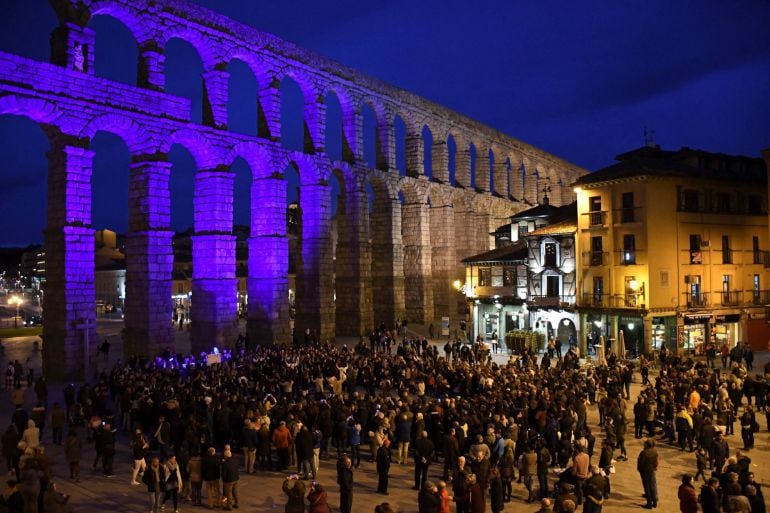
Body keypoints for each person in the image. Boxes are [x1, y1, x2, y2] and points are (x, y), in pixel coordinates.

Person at [636, 439, 658, 509]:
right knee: (652, 486)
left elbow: (641, 463)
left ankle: (649, 504)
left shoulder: (644, 453)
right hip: (652, 470)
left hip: (645, 471)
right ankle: (655, 502)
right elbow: (656, 462)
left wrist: (639, 469)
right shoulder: (655, 451)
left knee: (647, 487)